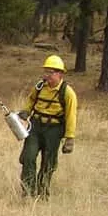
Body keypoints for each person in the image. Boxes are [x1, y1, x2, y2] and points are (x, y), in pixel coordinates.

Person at [17, 55, 77, 198]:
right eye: (46, 72)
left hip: (54, 131)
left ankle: (42, 191)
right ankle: (28, 190)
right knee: (28, 157)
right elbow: (31, 99)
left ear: (60, 74)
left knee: (48, 162)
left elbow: (71, 116)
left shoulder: (68, 93)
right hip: (35, 127)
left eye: (51, 72)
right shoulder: (39, 86)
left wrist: (69, 138)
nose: (47, 75)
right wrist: (26, 110)